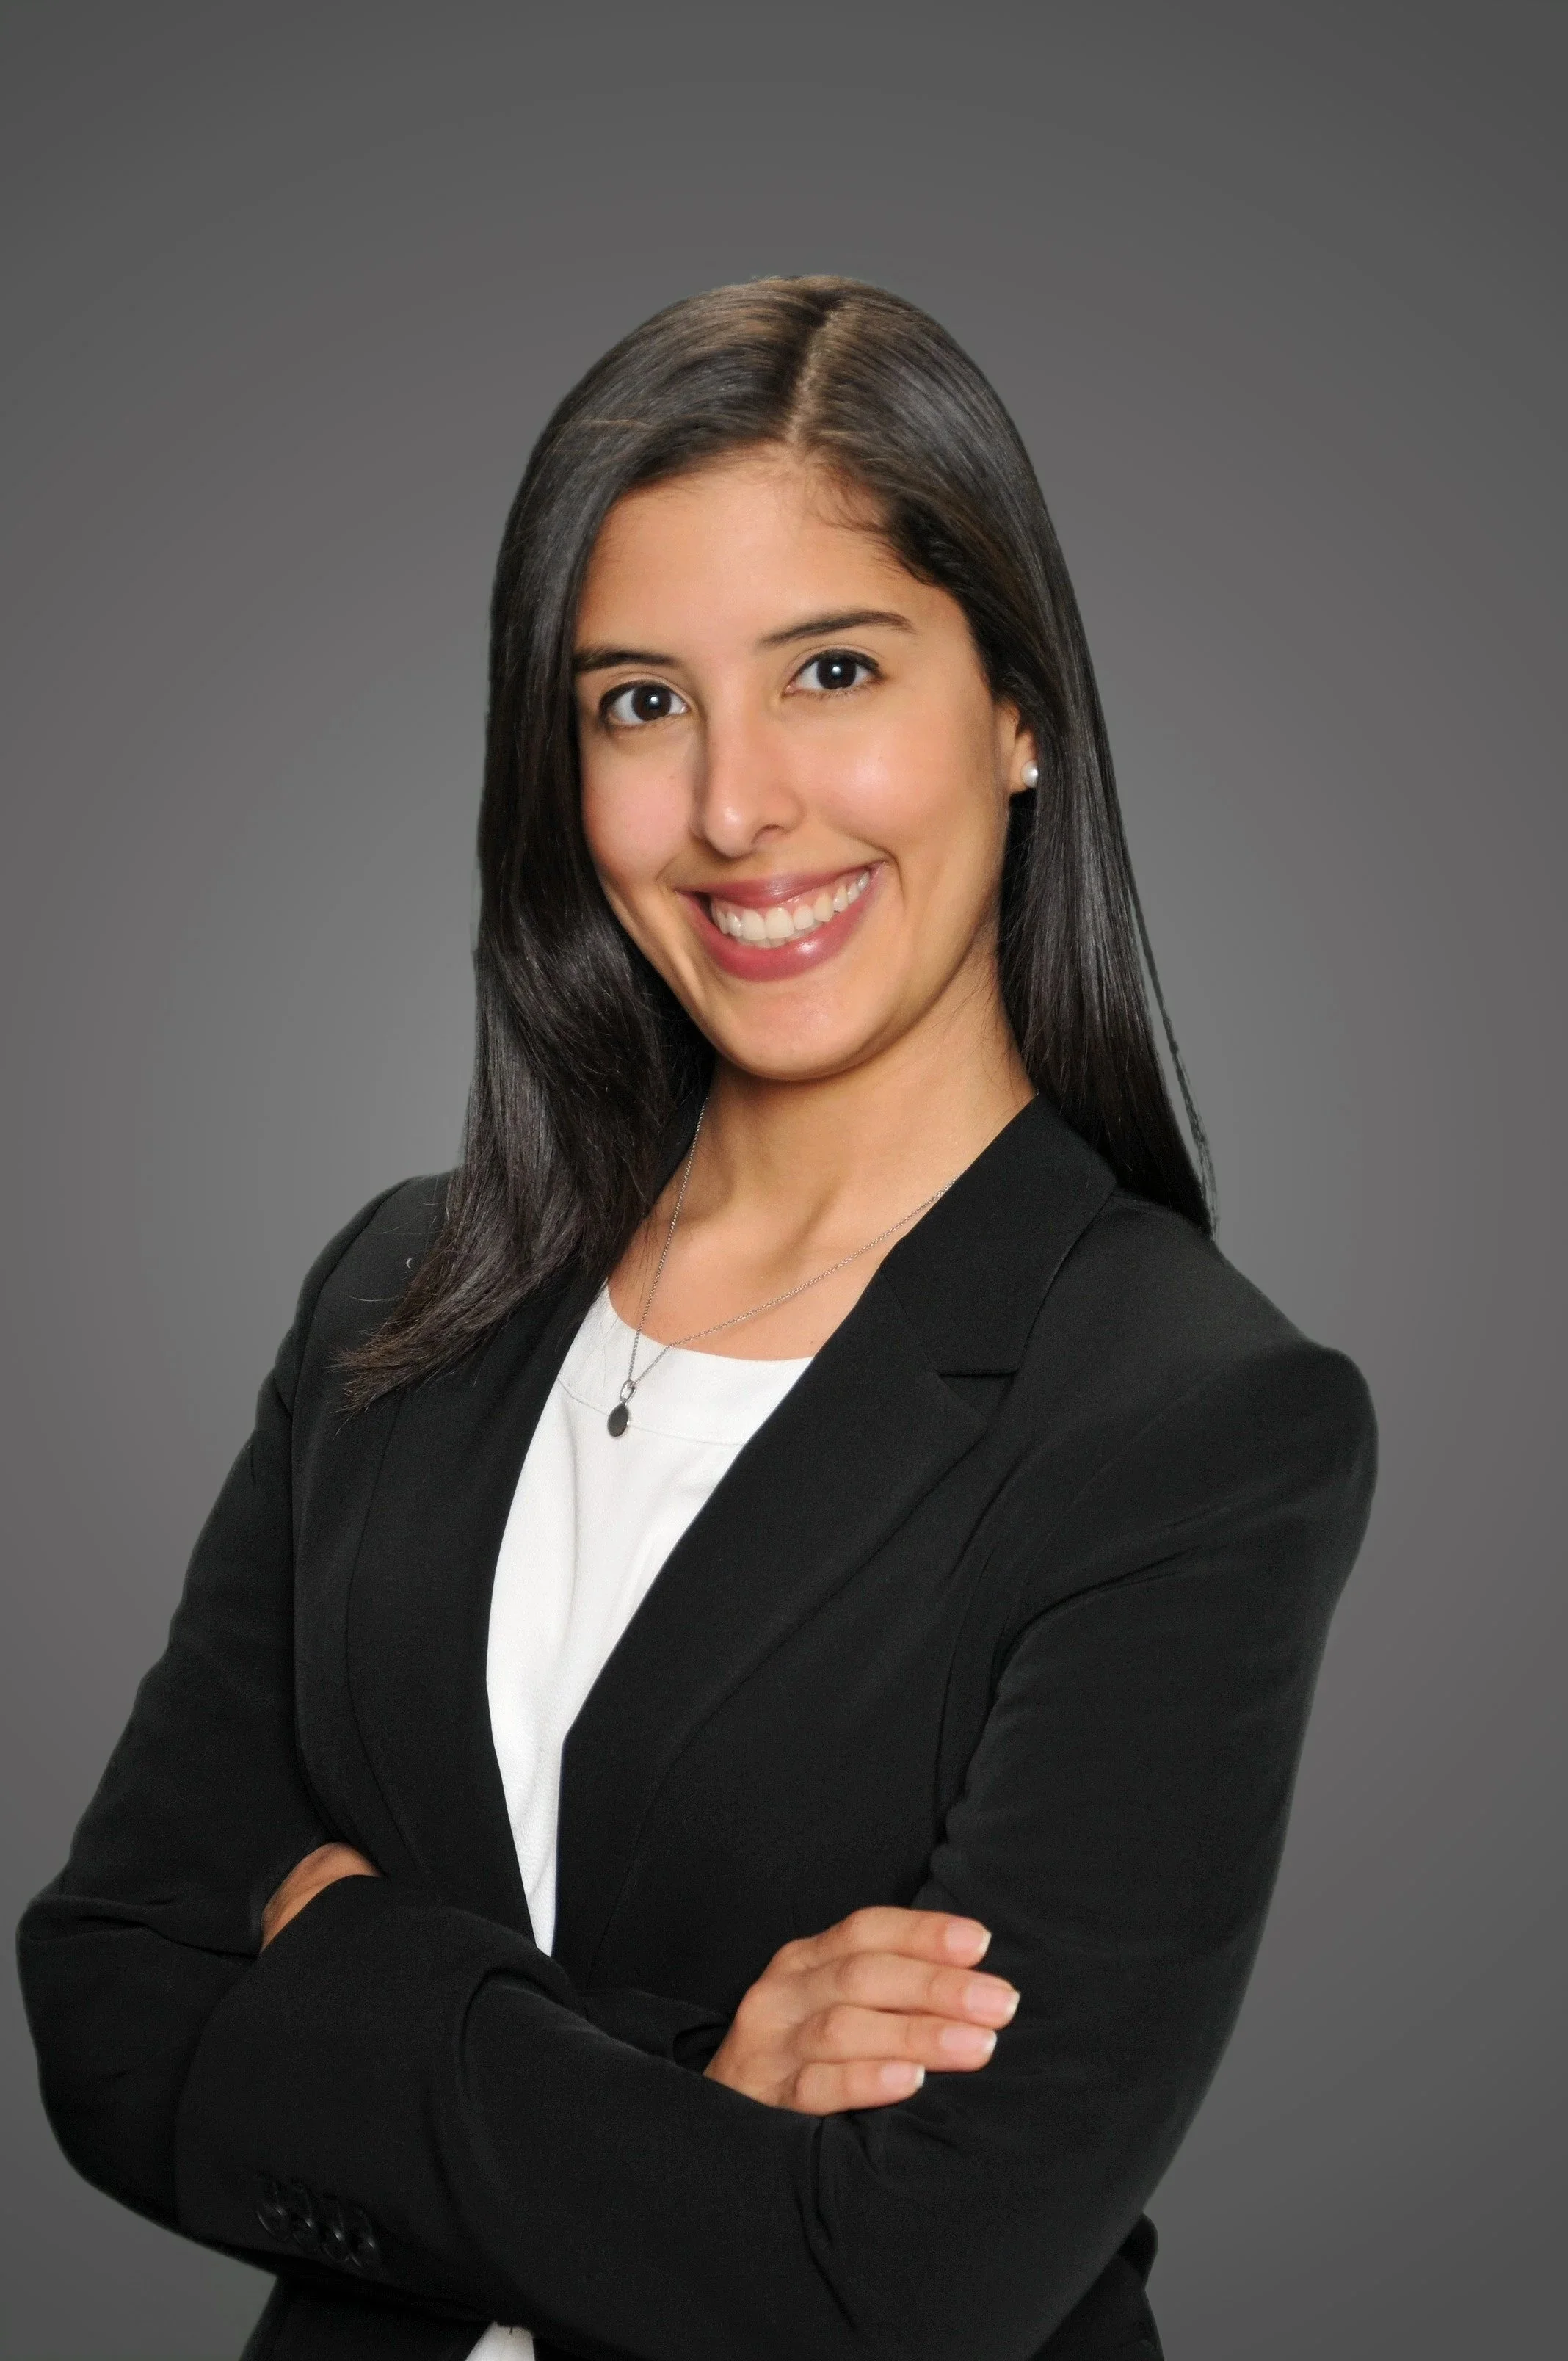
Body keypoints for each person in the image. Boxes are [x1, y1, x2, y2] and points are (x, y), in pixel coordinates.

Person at [18, 276, 1376, 2361]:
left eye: (830, 669)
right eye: (640, 703)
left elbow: (908, 2272)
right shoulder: (403, 1293)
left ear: (1020, 710)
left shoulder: (1191, 1420)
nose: (736, 808)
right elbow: (111, 1993)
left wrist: (349, 1958)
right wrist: (692, 2061)